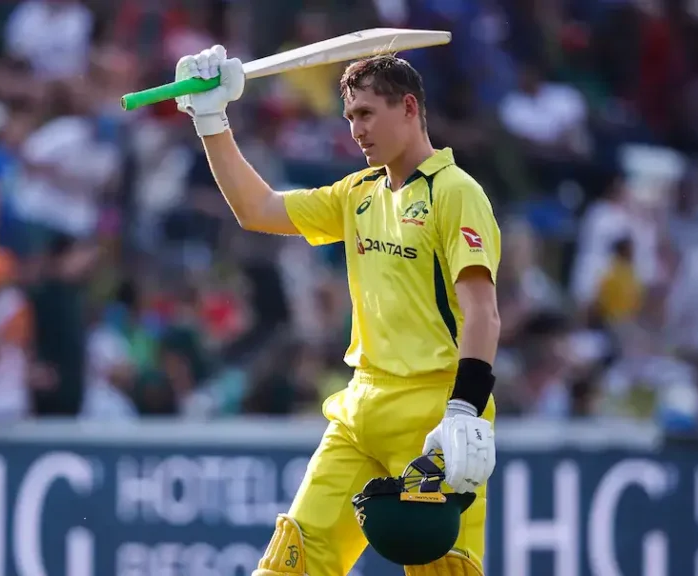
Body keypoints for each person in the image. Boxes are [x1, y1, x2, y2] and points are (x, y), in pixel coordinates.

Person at [174, 46, 501, 576]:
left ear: (409, 107)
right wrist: (212, 120)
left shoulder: (456, 192)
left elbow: (483, 312)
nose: (356, 131)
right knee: (289, 567)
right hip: (360, 407)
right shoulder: (358, 193)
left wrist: (465, 408)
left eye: (366, 113)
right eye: (349, 117)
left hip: (435, 412)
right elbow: (258, 209)